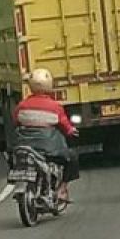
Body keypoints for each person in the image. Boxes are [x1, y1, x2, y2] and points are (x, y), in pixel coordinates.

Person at [14, 68, 78, 202]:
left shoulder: (21, 105)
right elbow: (65, 124)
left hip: (25, 148)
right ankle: (62, 189)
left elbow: (16, 121)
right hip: (49, 150)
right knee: (72, 157)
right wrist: (71, 130)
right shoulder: (55, 107)